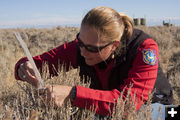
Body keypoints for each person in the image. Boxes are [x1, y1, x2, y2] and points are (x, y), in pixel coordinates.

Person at [15, 6, 173, 119]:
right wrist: (24, 68)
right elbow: (37, 63)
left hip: (153, 107)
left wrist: (73, 94)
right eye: (80, 42)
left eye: (91, 48)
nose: (82, 52)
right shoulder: (83, 46)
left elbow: (127, 104)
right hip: (107, 107)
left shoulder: (144, 48)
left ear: (114, 46)